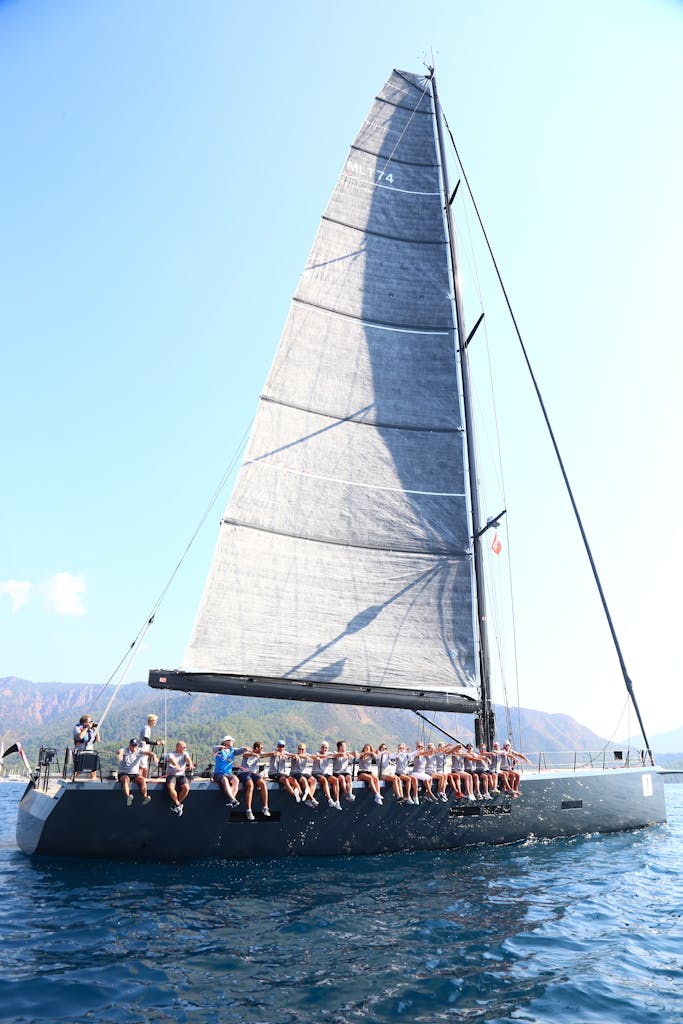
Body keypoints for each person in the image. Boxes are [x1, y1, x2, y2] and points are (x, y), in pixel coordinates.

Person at [237, 742, 271, 821]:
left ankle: (265, 807)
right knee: (250, 785)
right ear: (256, 748)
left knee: (262, 783)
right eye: (261, 748)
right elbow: (245, 755)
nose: (262, 750)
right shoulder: (248, 753)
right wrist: (253, 754)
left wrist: (275, 753)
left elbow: (267, 754)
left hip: (253, 773)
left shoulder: (259, 754)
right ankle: (249, 810)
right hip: (244, 773)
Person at [117, 738, 155, 806]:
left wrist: (154, 756)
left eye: (135, 745)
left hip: (135, 774)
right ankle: (128, 797)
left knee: (142, 779)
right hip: (124, 773)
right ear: (130, 745)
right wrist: (120, 756)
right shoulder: (125, 750)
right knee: (126, 779)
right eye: (132, 745)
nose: (134, 747)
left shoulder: (139, 751)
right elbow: (120, 751)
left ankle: (145, 797)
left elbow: (148, 752)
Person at [212, 735, 246, 807]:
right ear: (226, 742)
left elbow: (239, 750)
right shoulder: (220, 750)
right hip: (219, 773)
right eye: (231, 741)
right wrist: (220, 747)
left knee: (236, 780)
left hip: (228, 773)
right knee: (224, 780)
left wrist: (244, 749)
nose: (232, 742)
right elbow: (214, 749)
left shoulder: (232, 750)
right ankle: (233, 799)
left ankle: (232, 800)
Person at [166, 740, 194, 816]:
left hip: (181, 775)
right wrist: (177, 766)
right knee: (171, 787)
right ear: (178, 747)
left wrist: (190, 764)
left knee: (186, 788)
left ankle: (176, 804)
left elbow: (188, 759)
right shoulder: (170, 754)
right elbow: (172, 760)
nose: (185, 748)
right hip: (171, 775)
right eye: (183, 747)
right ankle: (178, 805)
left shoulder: (185, 753)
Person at [312, 742, 342, 809]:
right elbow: (317, 756)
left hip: (324, 773)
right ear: (320, 748)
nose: (324, 749)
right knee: (324, 780)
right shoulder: (317, 753)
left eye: (326, 748)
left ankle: (337, 801)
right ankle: (329, 799)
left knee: (335, 780)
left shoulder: (329, 754)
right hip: (316, 773)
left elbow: (338, 754)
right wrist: (327, 756)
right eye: (323, 747)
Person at [73, 714, 101, 780]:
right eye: (90, 721)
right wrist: (86, 728)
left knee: (93, 770)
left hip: (90, 751)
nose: (91, 723)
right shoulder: (77, 728)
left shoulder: (91, 730)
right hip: (80, 751)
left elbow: (98, 740)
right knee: (78, 770)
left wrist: (96, 730)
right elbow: (80, 737)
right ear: (85, 723)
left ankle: (93, 782)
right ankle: (72, 780)